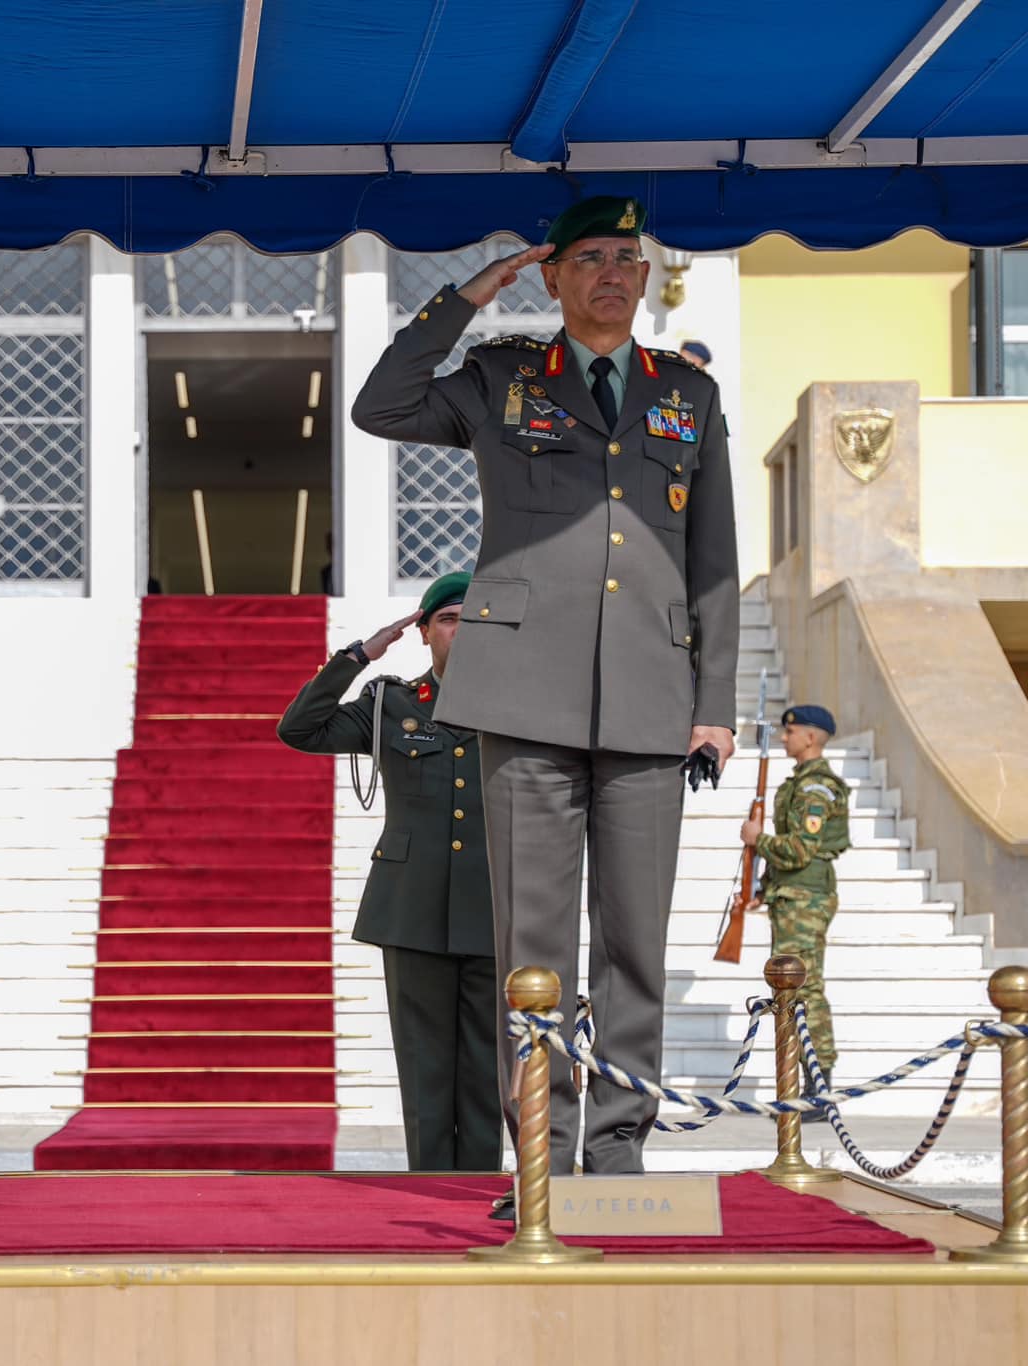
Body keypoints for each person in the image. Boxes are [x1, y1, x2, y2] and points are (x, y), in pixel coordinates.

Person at [352, 195, 740, 1186]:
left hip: (651, 700)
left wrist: (715, 701)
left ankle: (610, 1162)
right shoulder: (499, 377)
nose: (612, 272)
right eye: (590, 259)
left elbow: (713, 561)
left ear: (644, 278)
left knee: (633, 950)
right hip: (521, 697)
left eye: (628, 258)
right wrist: (471, 294)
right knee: (532, 953)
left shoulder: (685, 394)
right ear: (555, 275)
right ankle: (536, 1164)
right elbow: (381, 405)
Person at [276, 571, 498, 1172]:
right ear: (423, 632)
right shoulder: (389, 703)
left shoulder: (521, 707)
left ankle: (479, 1184)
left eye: (477, 619)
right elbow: (299, 730)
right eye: (450, 620)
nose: (464, 631)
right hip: (412, 906)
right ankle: (431, 1182)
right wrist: (357, 656)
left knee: (488, 1065)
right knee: (424, 1064)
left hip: (496, 905)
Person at [741, 704, 850, 1083]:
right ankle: (803, 1079)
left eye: (791, 732)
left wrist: (759, 840)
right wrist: (765, 887)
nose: (784, 738)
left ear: (810, 737)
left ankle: (819, 1079)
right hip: (791, 895)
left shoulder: (814, 788)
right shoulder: (800, 782)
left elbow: (802, 849)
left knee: (805, 988)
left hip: (805, 897)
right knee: (792, 987)